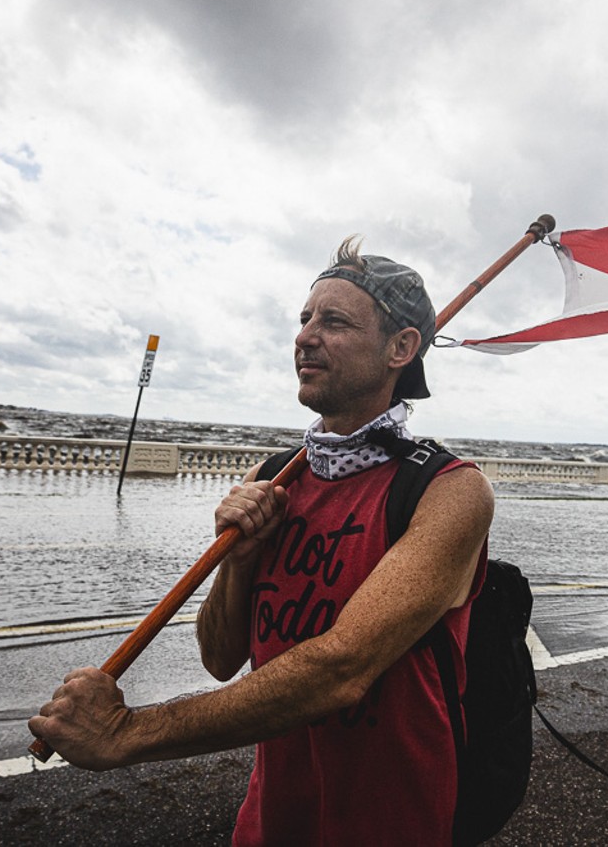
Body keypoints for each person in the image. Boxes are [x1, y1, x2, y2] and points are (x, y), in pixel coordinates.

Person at [29, 236, 494, 845]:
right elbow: (221, 659)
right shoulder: (273, 478)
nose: (304, 337)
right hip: (270, 819)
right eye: (304, 320)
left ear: (401, 348)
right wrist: (240, 561)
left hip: (392, 821)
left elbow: (340, 670)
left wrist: (127, 733)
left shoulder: (448, 492)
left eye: (334, 321)